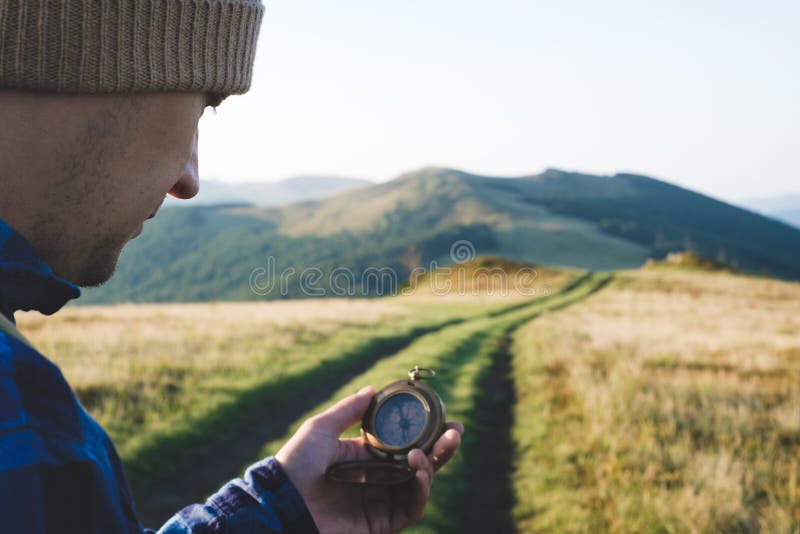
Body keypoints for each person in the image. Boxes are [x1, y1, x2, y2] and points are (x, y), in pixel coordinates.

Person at [0, 1, 463, 532]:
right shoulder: (17, 406)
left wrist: (286, 511)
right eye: (200, 108)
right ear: (94, 65)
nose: (189, 180)